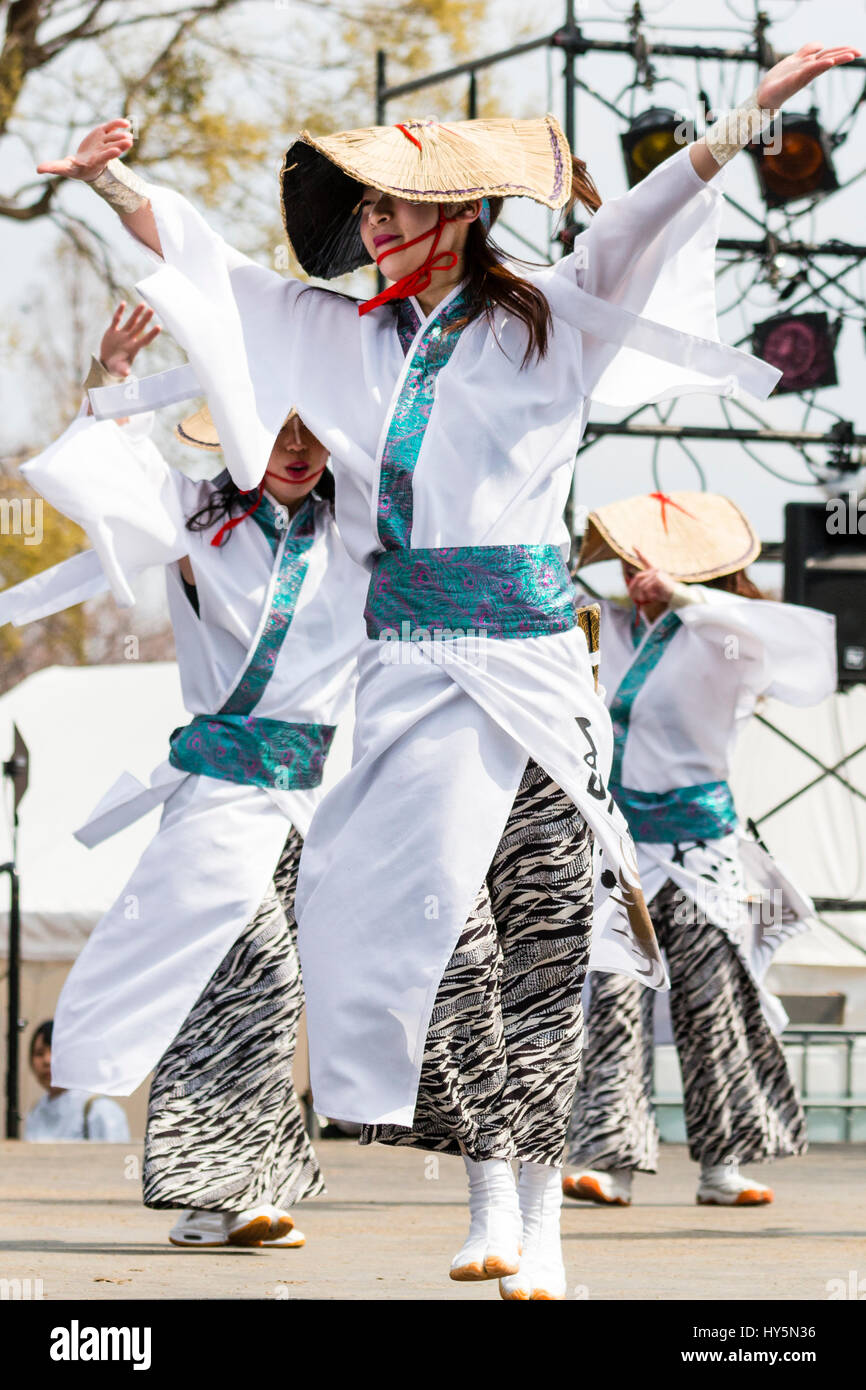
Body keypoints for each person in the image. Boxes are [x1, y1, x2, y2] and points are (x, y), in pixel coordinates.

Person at [36, 40, 857, 1298]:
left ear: (460, 218)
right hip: (406, 677)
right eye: (361, 206)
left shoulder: (550, 329)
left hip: (531, 672)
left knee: (543, 940)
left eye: (391, 205)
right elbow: (221, 280)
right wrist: (111, 187)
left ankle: (541, 1224)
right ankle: (480, 1191)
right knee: (432, 946)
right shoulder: (340, 338)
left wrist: (756, 112)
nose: (370, 226)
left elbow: (647, 210)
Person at [1, 305, 367, 1248]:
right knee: (258, 968)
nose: (294, 449)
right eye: (274, 429)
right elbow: (107, 480)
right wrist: (113, 377)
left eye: (310, 431)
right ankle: (226, 1186)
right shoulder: (196, 516)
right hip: (221, 789)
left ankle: (227, 1190)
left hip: (313, 801)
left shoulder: (358, 532)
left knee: (249, 986)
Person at [563, 491, 837, 1209]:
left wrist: (685, 595)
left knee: (710, 1004)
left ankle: (723, 1167)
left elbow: (799, 646)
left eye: (654, 562)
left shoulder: (727, 637)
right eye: (628, 560)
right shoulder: (603, 628)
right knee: (613, 999)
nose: (635, 574)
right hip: (620, 850)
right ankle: (608, 1162)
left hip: (699, 851)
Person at [25, 1021, 130, 1143]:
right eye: (39, 1053)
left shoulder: (99, 1109)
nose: (47, 1060)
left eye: (55, 1051)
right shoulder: (36, 1111)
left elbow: (118, 1158)